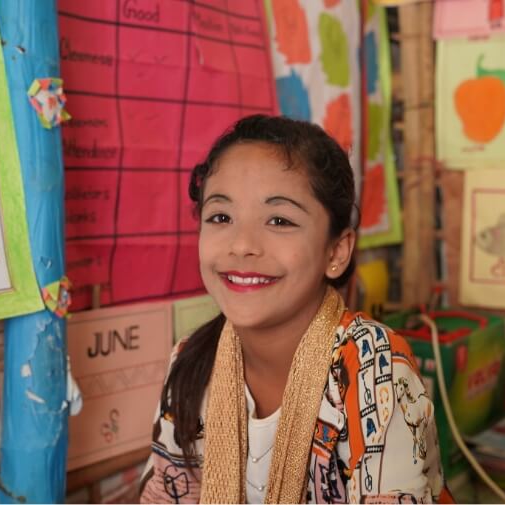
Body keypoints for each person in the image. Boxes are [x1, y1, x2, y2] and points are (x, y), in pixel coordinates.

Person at [139, 115, 451, 504]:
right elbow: (169, 494)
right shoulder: (191, 361)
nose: (241, 245)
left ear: (336, 251)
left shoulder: (373, 369)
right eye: (221, 217)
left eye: (280, 220)